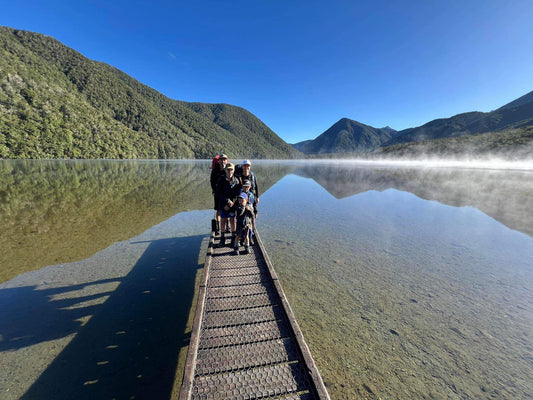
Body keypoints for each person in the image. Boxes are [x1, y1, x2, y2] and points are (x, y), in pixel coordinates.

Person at [215, 162, 241, 247]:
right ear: (225, 170)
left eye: (231, 170)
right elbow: (218, 193)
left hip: (233, 205)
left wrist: (232, 203)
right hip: (223, 204)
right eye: (228, 170)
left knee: (233, 221)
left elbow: (237, 194)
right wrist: (226, 202)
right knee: (223, 221)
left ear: (233, 171)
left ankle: (233, 239)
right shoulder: (221, 180)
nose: (229, 171)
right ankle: (222, 239)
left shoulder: (237, 181)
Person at [210, 154, 228, 234]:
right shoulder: (215, 170)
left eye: (224, 159)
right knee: (218, 210)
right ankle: (218, 228)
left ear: (226, 160)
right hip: (217, 193)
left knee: (227, 209)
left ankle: (227, 226)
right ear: (219, 160)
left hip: (226, 193)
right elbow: (212, 181)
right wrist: (215, 190)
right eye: (221, 159)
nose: (223, 161)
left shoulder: (228, 169)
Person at [240, 179, 257, 245]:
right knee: (242, 226)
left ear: (250, 187)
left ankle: (250, 238)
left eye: (247, 186)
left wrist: (255, 212)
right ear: (242, 186)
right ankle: (242, 238)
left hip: (250, 212)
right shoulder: (240, 194)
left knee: (250, 226)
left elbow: (254, 204)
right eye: (244, 186)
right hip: (242, 212)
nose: (246, 188)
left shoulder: (252, 195)